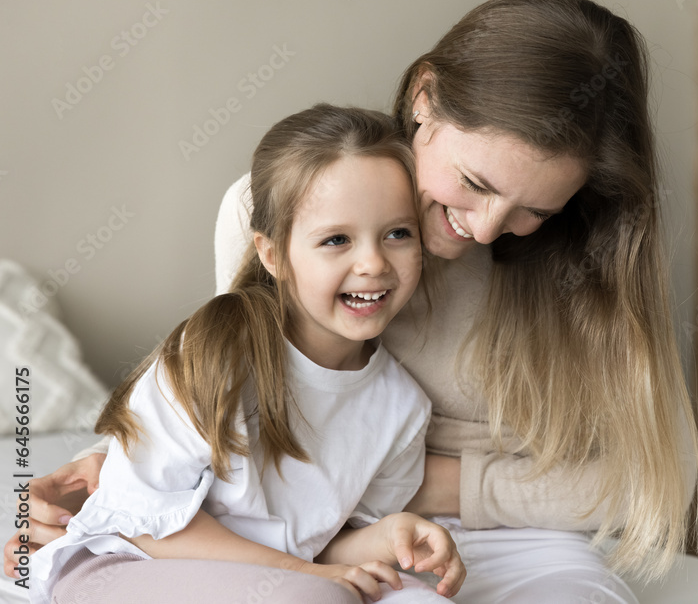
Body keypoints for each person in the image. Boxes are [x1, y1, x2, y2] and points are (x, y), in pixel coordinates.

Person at [8, 0, 698, 603]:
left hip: (451, 530)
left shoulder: (577, 260)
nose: (490, 228)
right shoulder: (283, 203)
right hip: (324, 523)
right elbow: (233, 403)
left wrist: (414, 491)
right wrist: (110, 468)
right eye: (477, 184)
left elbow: (644, 485)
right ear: (424, 98)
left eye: (534, 210)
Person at [27, 104, 465, 604]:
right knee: (316, 599)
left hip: (275, 575)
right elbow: (143, 522)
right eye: (336, 239)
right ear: (273, 254)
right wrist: (301, 573)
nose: (372, 262)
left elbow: (325, 546)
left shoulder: (402, 408)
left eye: (397, 233)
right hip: (128, 559)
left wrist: (390, 536)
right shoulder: (220, 349)